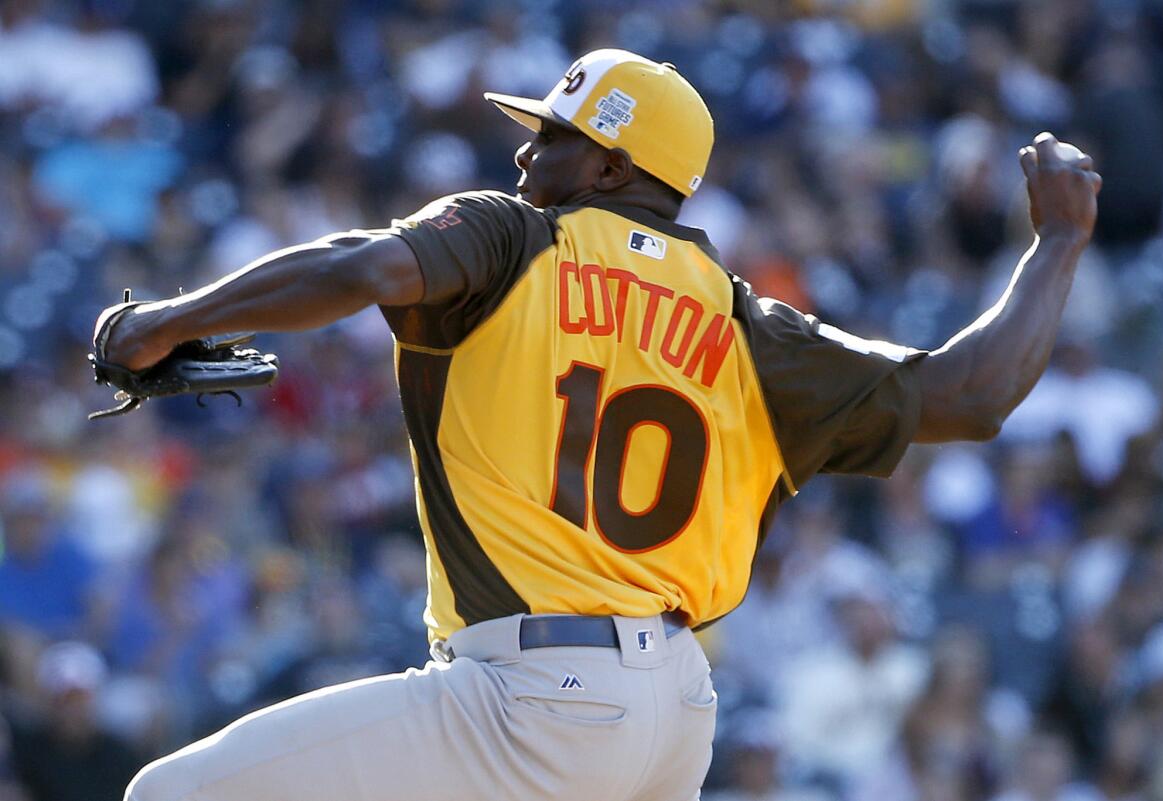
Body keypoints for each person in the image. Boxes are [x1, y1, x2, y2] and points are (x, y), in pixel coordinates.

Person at [99, 49, 1100, 801]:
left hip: (534, 700)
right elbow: (973, 394)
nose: (529, 152)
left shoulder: (513, 237)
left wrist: (162, 324)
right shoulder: (752, 327)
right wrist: (1058, 243)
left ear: (618, 169)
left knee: (168, 795)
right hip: (673, 715)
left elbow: (365, 266)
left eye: (558, 137)